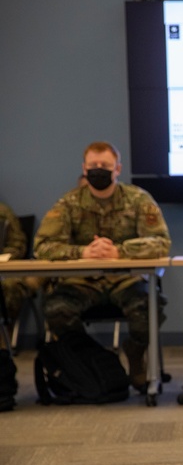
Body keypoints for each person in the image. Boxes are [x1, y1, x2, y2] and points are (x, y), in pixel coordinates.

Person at [34, 141, 171, 390]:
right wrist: (83, 252)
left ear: (117, 169)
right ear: (84, 169)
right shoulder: (68, 203)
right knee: (56, 309)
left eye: (105, 165)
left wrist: (120, 251)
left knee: (149, 307)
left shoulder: (138, 199)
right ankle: (94, 363)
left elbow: (161, 242)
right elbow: (43, 245)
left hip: (126, 279)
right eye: (93, 165)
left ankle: (135, 353)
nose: (99, 170)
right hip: (82, 281)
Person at [0, 202, 32, 329]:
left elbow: (18, 245)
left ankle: (4, 336)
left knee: (9, 287)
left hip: (4, 270)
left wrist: (6, 257)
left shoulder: (2, 212)